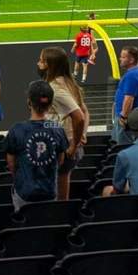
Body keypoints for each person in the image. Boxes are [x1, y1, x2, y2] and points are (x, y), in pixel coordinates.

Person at [5, 80, 70, 210]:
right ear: (50, 105)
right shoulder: (57, 128)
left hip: (24, 193)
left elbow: (11, 165)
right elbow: (60, 160)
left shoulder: (16, 130)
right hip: (49, 192)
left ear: (29, 102)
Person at [38, 47, 88, 200]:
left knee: (59, 194)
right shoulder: (69, 83)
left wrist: (75, 143)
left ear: (49, 65)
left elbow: (79, 116)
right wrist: (82, 134)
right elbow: (85, 111)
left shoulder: (55, 89)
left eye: (41, 60)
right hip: (66, 143)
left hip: (63, 146)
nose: (38, 63)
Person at [112, 46, 138, 145]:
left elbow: (129, 98)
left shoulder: (132, 75)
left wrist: (123, 117)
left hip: (126, 119)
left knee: (123, 146)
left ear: (131, 60)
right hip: (130, 117)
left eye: (123, 57)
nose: (120, 59)